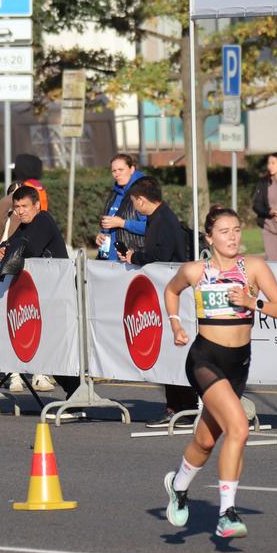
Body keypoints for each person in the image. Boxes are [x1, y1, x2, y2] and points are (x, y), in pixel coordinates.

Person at [162, 206, 277, 539]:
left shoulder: (254, 268)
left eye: (236, 230)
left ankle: (177, 485)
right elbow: (171, 290)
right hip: (205, 359)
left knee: (206, 441)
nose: (232, 237)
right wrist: (176, 325)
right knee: (239, 428)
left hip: (238, 364)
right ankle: (227, 513)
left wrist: (253, 304)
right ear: (209, 237)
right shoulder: (194, 271)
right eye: (224, 231)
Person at [116, 177, 197, 429]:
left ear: (141, 199)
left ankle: (180, 406)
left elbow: (160, 255)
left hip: (171, 290)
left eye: (133, 201)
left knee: (173, 351)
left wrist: (135, 255)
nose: (133, 206)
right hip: (167, 289)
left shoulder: (163, 218)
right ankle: (180, 405)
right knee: (171, 352)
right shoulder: (160, 217)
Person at [0, 186, 78, 400]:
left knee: (58, 350)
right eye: (16, 207)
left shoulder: (43, 221)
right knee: (49, 351)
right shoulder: (25, 225)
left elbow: (30, 249)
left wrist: (11, 247)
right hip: (42, 297)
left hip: (59, 295)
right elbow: (13, 241)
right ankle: (75, 394)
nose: (20, 211)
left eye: (25, 206)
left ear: (37, 205)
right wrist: (4, 247)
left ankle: (77, 394)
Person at [96, 153, 146, 261]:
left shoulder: (143, 193)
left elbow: (150, 227)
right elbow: (108, 223)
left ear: (132, 169)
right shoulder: (114, 193)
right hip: (108, 260)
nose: (117, 174)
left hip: (131, 262)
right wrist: (101, 235)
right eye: (114, 171)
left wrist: (122, 223)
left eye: (120, 169)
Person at [0, 153, 50, 244]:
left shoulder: (21, 191)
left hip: (19, 239)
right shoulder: (41, 189)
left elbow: (0, 215)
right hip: (39, 235)